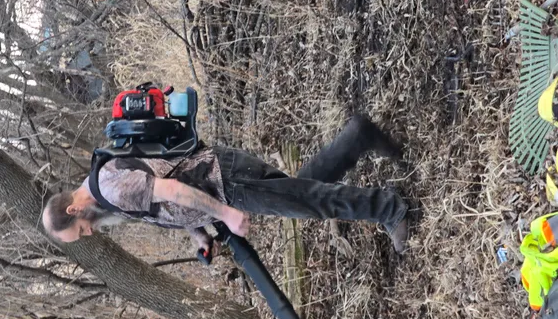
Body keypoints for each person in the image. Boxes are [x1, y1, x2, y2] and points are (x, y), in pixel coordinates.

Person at [41, 115, 410, 255]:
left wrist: (226, 213)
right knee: (304, 190)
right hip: (222, 173)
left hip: (227, 183)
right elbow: (163, 183)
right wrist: (197, 231)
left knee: (311, 201)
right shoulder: (103, 181)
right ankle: (358, 136)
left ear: (74, 209)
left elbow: (172, 191)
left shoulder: (110, 190)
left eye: (81, 229)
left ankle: (390, 209)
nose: (90, 232)